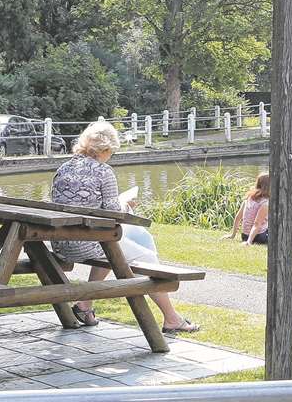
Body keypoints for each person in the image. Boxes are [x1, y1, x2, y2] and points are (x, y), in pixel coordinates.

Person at [48, 121, 199, 333]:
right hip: (85, 243)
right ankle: (172, 319)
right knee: (144, 257)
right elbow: (113, 215)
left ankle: (84, 306)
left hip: (61, 243)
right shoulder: (103, 171)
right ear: (106, 149)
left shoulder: (64, 168)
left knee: (112, 248)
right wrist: (125, 205)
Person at [225, 172, 269, 245]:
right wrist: (249, 241)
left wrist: (232, 235)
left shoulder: (249, 199)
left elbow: (238, 218)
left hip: (244, 236)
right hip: (258, 237)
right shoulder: (265, 203)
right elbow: (257, 223)